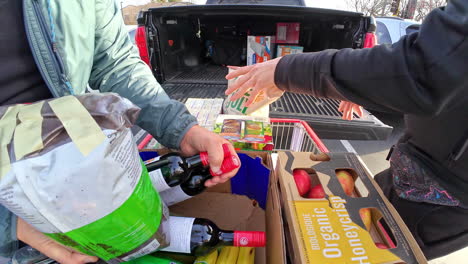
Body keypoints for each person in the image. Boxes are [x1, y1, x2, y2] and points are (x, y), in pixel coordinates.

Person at [226, 0, 468, 260]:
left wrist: (285, 69)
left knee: (373, 252)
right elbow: (441, 70)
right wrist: (366, 86)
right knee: (358, 231)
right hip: (418, 169)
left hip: (442, 195)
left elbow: (422, 69)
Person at [0, 0, 239, 263]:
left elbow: (115, 64)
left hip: (81, 182)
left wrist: (182, 129)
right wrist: (10, 224)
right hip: (15, 207)